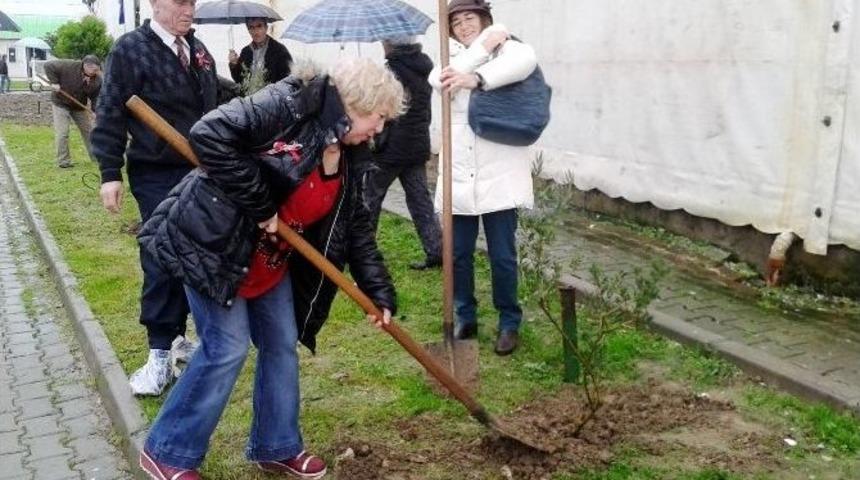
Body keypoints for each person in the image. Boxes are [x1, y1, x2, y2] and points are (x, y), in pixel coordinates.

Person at [135, 57, 403, 479]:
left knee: (281, 343)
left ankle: (276, 446)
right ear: (356, 103)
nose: (379, 129)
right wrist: (262, 205)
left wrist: (378, 293)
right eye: (379, 117)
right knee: (227, 347)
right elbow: (208, 134)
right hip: (214, 244)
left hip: (270, 262)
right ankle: (167, 451)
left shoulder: (355, 158)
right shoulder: (292, 103)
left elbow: (358, 234)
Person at [91, 0, 234, 396]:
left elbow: (214, 108)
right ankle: (158, 353)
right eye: (180, 2)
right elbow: (110, 112)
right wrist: (108, 174)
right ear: (156, 4)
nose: (189, 9)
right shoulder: (131, 50)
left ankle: (179, 337)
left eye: (192, 2)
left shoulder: (199, 51)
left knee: (200, 255)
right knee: (161, 257)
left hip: (200, 173)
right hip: (156, 173)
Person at [430, 0, 538, 355]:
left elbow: (525, 62)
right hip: (459, 173)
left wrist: (476, 78)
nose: (463, 26)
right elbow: (439, 79)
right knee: (458, 253)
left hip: (499, 171)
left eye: (470, 19)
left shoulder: (510, 48)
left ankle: (509, 321)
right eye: (456, 21)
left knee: (502, 255)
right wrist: (478, 50)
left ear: (485, 19)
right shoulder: (453, 56)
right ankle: (466, 314)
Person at [365, 36, 442, 270]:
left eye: (383, 41)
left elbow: (385, 108)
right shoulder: (425, 66)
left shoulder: (392, 71)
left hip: (392, 148)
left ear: (392, 44)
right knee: (420, 201)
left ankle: (363, 253)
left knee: (370, 197)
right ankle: (436, 250)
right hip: (417, 145)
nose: (381, 44)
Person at [43, 55, 102, 168]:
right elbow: (48, 65)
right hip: (61, 102)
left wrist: (95, 111)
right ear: (85, 66)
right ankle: (64, 161)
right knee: (63, 132)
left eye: (97, 70)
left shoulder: (97, 80)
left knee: (89, 132)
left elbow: (95, 98)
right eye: (93, 70)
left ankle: (96, 157)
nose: (95, 72)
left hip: (79, 106)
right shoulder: (69, 65)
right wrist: (54, 82)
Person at [228, 17, 292, 90]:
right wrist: (234, 64)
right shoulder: (246, 51)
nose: (256, 31)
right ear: (248, 30)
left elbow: (287, 81)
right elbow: (239, 80)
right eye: (251, 27)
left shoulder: (279, 50)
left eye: (259, 26)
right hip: (248, 98)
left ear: (266, 28)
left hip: (271, 97)